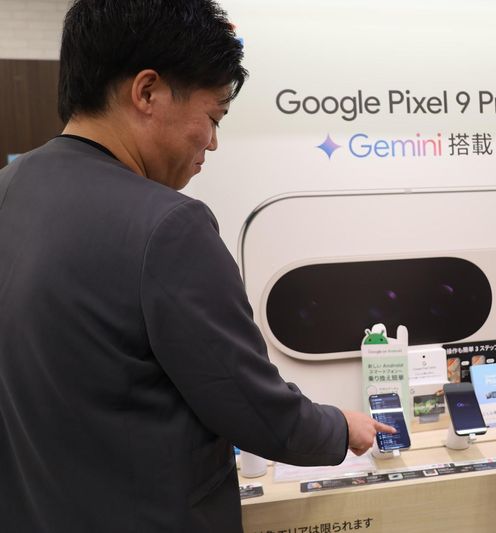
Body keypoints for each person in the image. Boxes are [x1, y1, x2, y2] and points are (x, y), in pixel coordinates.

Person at [0, 1, 392, 532]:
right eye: (213, 118)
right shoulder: (168, 226)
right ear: (147, 92)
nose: (213, 142)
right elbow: (254, 408)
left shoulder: (9, 191)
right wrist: (339, 428)